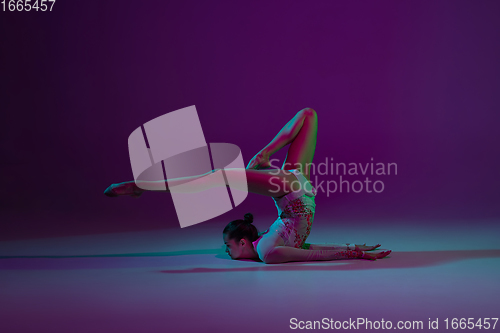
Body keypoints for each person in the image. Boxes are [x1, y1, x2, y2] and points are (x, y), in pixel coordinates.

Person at [105, 108, 391, 263]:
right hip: (295, 188)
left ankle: (142, 186)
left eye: (227, 248)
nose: (227, 252)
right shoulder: (267, 248)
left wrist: (357, 253)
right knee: (307, 116)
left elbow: (309, 251)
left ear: (244, 242)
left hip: (294, 190)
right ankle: (140, 186)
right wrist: (356, 249)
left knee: (221, 175)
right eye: (227, 247)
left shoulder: (267, 247)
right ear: (243, 242)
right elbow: (310, 250)